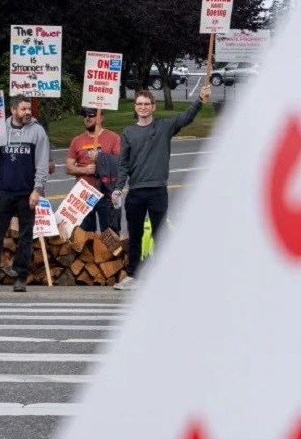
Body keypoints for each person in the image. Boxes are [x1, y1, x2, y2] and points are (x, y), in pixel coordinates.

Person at [112, 85, 210, 290]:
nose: (143, 107)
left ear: (153, 107)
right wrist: (118, 188)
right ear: (135, 107)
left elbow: (186, 117)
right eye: (139, 104)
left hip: (157, 190)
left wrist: (200, 100)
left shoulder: (164, 126)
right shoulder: (128, 133)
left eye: (147, 104)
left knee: (160, 234)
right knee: (135, 235)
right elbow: (123, 164)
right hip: (135, 192)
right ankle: (133, 276)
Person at [0, 95, 50, 293]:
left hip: (27, 193)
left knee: (25, 235)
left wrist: (37, 190)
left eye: (29, 109)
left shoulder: (38, 131)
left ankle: (21, 277)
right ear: (13, 110)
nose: (28, 113)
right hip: (4, 191)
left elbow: (42, 164)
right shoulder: (0, 129)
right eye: (23, 109)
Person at [65, 107, 120, 232]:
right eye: (85, 116)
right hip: (84, 195)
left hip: (107, 193)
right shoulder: (77, 140)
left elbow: (120, 163)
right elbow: (68, 167)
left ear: (100, 118)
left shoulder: (113, 138)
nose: (87, 118)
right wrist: (85, 170)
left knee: (110, 234)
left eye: (91, 115)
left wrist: (100, 159)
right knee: (85, 236)